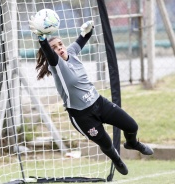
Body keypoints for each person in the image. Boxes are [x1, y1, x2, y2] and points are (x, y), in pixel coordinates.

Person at [29, 18, 154, 175]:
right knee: (107, 143)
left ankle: (133, 143)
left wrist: (88, 28)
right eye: (54, 47)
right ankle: (117, 160)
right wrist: (42, 39)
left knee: (131, 126)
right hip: (82, 115)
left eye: (60, 44)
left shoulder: (71, 52)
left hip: (99, 103)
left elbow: (84, 37)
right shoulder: (55, 66)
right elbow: (49, 53)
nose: (59, 48)